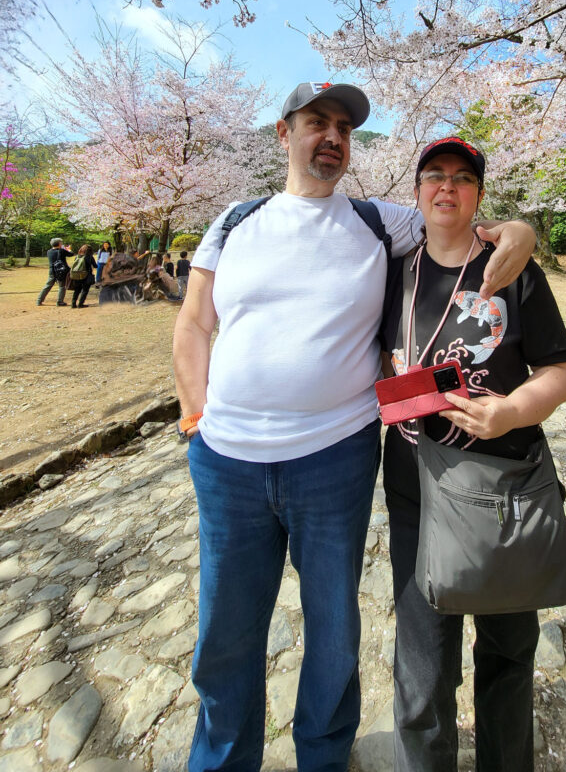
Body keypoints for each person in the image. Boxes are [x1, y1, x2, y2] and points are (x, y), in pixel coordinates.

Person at [172, 81, 537, 772]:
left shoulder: (378, 222)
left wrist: (521, 231)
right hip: (227, 463)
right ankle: (221, 761)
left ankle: (324, 757)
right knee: (226, 632)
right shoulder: (234, 220)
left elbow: (460, 218)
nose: (332, 137)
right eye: (317, 122)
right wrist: (195, 413)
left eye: (344, 128)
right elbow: (194, 322)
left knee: (334, 630)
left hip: (333, 458)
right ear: (284, 133)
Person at [380, 138, 566, 772]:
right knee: (423, 664)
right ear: (417, 192)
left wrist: (511, 411)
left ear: (479, 196)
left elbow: (560, 369)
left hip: (504, 489)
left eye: (463, 178)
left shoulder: (512, 270)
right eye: (434, 175)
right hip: (416, 486)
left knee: (508, 654)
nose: (448, 187)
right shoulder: (393, 272)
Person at [37, 237, 73, 306]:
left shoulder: (49, 251)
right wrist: (69, 249)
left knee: (47, 286)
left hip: (52, 271)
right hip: (61, 271)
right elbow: (71, 254)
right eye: (61, 243)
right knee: (62, 286)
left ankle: (39, 300)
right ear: (59, 243)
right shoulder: (62, 251)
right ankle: (60, 301)